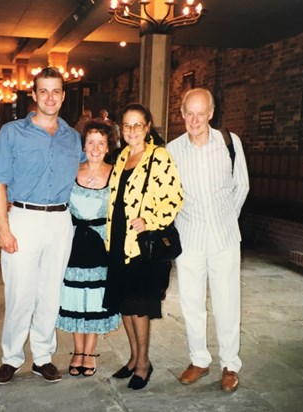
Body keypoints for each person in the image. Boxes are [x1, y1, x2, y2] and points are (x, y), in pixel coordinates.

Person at [0, 67, 83, 385]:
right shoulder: (12, 132)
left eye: (56, 91)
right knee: (19, 293)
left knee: (49, 292)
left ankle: (43, 357)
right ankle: (11, 357)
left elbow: (84, 176)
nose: (50, 97)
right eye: (44, 91)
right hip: (24, 218)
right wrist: (3, 228)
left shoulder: (73, 137)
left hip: (60, 220)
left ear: (63, 95)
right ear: (34, 94)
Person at [166, 88, 249, 392]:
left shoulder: (230, 143)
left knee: (228, 303)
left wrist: (227, 217)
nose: (195, 119)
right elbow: (168, 196)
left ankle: (230, 364)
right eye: (190, 113)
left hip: (225, 237)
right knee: (191, 304)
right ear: (182, 113)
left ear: (211, 113)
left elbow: (241, 185)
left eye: (201, 113)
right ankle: (199, 360)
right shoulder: (172, 150)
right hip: (189, 238)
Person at [102, 103, 183, 390]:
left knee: (139, 306)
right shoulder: (122, 156)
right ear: (120, 129)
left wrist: (149, 219)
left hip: (140, 243)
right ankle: (134, 359)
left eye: (138, 125)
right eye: (127, 125)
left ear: (148, 127)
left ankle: (145, 364)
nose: (132, 130)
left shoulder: (158, 157)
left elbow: (174, 198)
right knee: (124, 304)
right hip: (118, 241)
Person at [55, 121, 120, 377]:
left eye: (101, 143)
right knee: (74, 296)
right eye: (91, 142)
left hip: (101, 243)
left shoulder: (116, 173)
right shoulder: (72, 170)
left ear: (108, 147)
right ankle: (77, 350)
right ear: (84, 145)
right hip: (73, 241)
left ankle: (90, 351)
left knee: (93, 298)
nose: (95, 148)